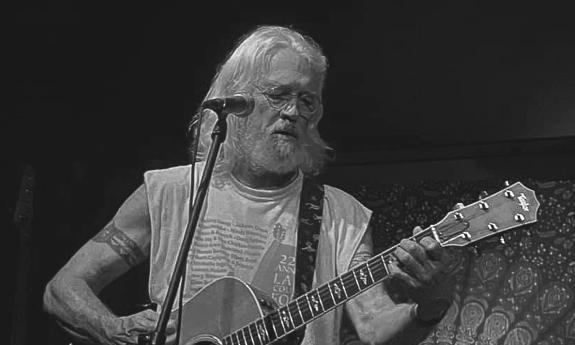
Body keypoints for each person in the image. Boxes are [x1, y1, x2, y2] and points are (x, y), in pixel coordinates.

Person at [43, 25, 455, 345]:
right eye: (278, 94)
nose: (292, 111)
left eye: (307, 100)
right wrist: (112, 329)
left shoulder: (340, 216)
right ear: (235, 99)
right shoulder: (169, 192)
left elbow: (371, 326)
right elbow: (63, 288)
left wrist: (431, 305)